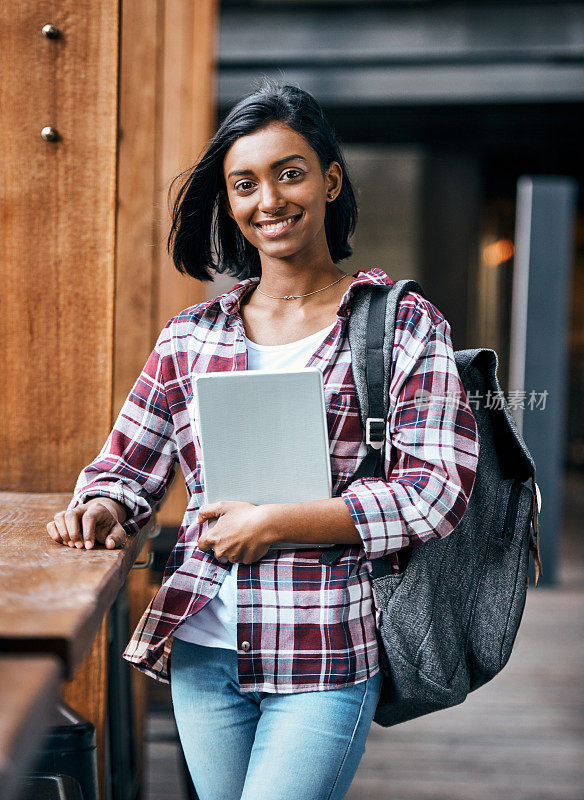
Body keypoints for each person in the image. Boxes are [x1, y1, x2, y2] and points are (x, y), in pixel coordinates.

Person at [47, 77, 480, 800]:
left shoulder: (401, 324)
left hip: (325, 650)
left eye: (290, 173)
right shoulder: (192, 335)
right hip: (201, 650)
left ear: (330, 178)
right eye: (244, 184)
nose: (269, 200)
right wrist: (101, 507)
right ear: (230, 202)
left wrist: (276, 522)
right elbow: (126, 468)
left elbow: (435, 492)